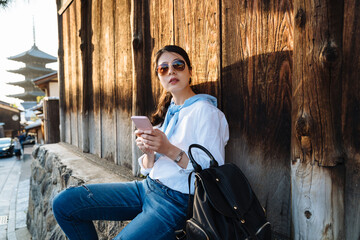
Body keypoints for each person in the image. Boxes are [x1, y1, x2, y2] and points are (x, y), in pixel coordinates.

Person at [52, 45, 229, 240]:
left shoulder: (206, 112)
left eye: (178, 65)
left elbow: (212, 169)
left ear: (190, 71)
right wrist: (150, 153)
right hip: (146, 188)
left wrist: (169, 149)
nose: (171, 71)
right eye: (163, 68)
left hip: (176, 201)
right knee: (65, 203)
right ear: (160, 77)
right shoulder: (167, 114)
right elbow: (147, 169)